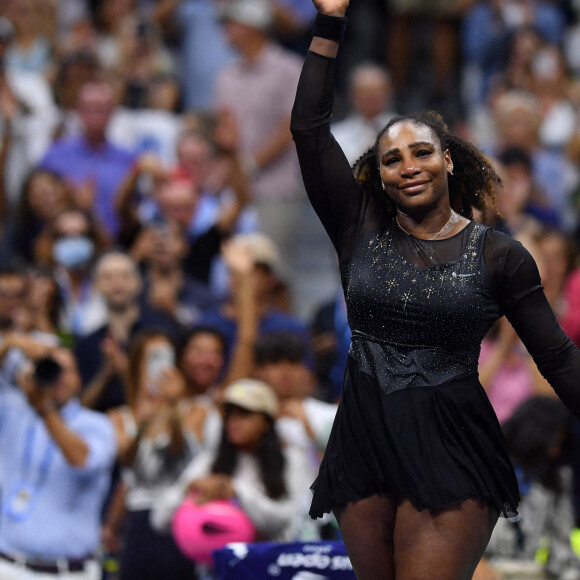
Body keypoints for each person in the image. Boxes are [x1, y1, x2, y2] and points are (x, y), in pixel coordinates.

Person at [289, 1, 580, 578]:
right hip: (363, 436)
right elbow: (307, 130)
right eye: (391, 159)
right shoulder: (356, 225)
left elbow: (557, 355)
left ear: (448, 159)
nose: (409, 165)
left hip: (451, 442)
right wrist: (329, 25)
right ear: (379, 174)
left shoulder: (500, 255)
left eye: (421, 151)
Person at [0, 346, 117, 580]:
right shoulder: (13, 412)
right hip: (8, 566)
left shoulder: (96, 424)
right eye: (52, 368)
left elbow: (82, 459)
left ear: (79, 380)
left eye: (67, 371)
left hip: (67, 573)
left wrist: (45, 409)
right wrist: (16, 342)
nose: (58, 378)